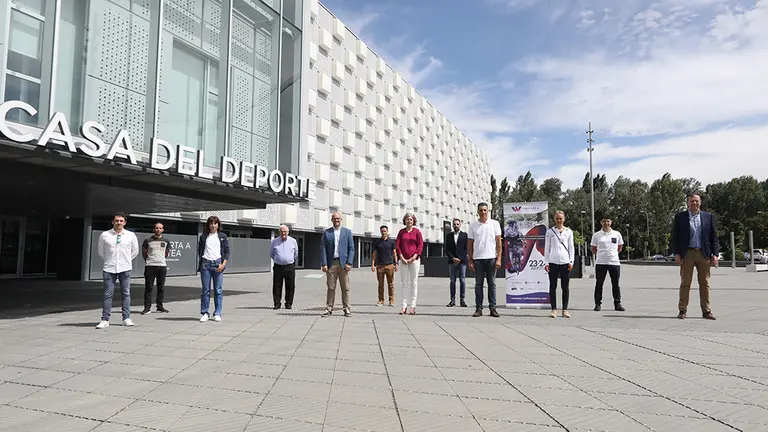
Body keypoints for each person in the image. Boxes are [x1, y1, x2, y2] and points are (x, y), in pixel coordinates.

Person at [671, 193, 719, 320]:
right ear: (688, 203)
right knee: (685, 283)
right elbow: (674, 237)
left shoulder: (708, 217)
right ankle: (682, 310)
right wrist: (676, 253)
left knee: (705, 283)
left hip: (704, 254)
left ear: (700, 202)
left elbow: (714, 237)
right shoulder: (680, 217)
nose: (694, 203)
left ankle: (706, 311)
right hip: (687, 254)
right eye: (692, 201)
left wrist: (715, 254)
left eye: (696, 201)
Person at [96, 212, 139, 329]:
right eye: (116, 220)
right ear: (112, 222)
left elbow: (135, 251)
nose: (119, 223)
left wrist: (125, 260)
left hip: (125, 268)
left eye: (121, 221)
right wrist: (110, 260)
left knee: (126, 293)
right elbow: (101, 252)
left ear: (125, 222)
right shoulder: (105, 235)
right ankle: (105, 319)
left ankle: (126, 318)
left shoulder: (130, 235)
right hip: (109, 268)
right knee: (107, 294)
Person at [468, 202, 502, 318]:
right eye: (481, 210)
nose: (483, 212)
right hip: (478, 259)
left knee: (492, 284)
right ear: (477, 211)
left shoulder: (494, 224)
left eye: (485, 210)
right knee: (478, 285)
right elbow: (470, 244)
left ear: (488, 211)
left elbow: (499, 243)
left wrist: (499, 258)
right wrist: (470, 260)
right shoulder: (473, 225)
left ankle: (493, 308)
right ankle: (479, 308)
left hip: (491, 258)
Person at [321, 212, 355, 317]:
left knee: (345, 287)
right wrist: (324, 263)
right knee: (331, 287)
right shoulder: (327, 233)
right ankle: (329, 308)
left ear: (341, 219)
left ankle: (347, 308)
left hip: (343, 264)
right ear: (332, 220)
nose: (337, 220)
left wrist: (349, 262)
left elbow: (351, 248)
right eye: (335, 219)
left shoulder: (347, 232)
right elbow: (323, 248)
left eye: (338, 218)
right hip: (331, 263)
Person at [197, 215, 229, 322]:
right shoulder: (203, 236)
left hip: (218, 264)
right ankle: (205, 312)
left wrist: (223, 264)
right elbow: (200, 250)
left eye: (215, 223)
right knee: (205, 290)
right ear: (208, 225)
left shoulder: (222, 236)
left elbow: (226, 251)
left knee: (218, 290)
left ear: (218, 225)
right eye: (211, 223)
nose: (213, 225)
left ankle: (217, 313)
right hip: (206, 264)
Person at [591, 217, 626, 312]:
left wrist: (613, 255)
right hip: (601, 262)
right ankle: (597, 304)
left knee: (616, 284)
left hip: (614, 262)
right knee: (599, 284)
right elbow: (593, 249)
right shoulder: (597, 235)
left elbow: (620, 247)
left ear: (611, 222)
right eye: (604, 221)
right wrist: (601, 254)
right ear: (600, 222)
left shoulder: (617, 234)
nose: (606, 223)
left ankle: (617, 303)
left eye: (608, 221)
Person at [544, 211, 575, 318]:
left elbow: (571, 248)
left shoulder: (569, 232)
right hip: (553, 262)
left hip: (565, 262)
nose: (559, 220)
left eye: (561, 218)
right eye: (557, 218)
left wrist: (571, 261)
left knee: (565, 287)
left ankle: (565, 309)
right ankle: (553, 309)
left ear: (564, 219)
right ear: (554, 219)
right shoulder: (550, 232)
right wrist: (546, 262)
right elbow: (546, 248)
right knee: (553, 286)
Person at [396, 213, 423, 315]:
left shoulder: (417, 232)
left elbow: (420, 245)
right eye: (407, 219)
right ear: (405, 221)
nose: (409, 221)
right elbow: (398, 246)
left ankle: (413, 306)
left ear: (413, 221)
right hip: (403, 260)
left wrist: (414, 257)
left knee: (413, 282)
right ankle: (403, 306)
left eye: (411, 219)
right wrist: (401, 257)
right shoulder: (401, 232)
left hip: (414, 260)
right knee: (404, 283)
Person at [141, 222, 171, 315]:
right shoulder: (148, 240)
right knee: (148, 288)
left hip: (162, 266)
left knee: (161, 288)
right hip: (150, 266)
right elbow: (144, 253)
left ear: (163, 230)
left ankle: (160, 306)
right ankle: (147, 308)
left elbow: (166, 253)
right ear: (154, 229)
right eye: (157, 228)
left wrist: (160, 259)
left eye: (160, 228)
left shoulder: (166, 241)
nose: (158, 230)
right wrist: (150, 260)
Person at [271, 224, 298, 310]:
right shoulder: (274, 241)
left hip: (289, 266)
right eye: (282, 232)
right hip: (278, 266)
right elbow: (271, 254)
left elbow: (296, 253)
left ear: (288, 232)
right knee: (277, 286)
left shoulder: (293, 241)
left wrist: (288, 260)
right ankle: (277, 303)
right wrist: (279, 259)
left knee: (290, 286)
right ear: (279, 232)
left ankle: (288, 303)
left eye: (285, 232)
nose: (283, 233)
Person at [371, 225, 398, 307]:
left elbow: (394, 253)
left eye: (385, 231)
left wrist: (396, 263)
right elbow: (374, 254)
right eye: (382, 231)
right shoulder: (377, 242)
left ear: (387, 231)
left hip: (390, 265)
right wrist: (373, 264)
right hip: (380, 266)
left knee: (391, 284)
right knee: (380, 284)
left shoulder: (392, 242)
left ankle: (391, 300)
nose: (383, 232)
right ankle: (381, 300)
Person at [445, 218, 468, 307]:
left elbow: (466, 249)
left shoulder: (464, 235)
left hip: (462, 262)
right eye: (454, 224)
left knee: (462, 280)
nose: (456, 226)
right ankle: (452, 300)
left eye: (457, 224)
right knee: (452, 281)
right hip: (452, 261)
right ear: (452, 225)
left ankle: (462, 300)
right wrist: (453, 258)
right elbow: (447, 249)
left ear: (460, 225)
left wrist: (460, 259)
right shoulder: (449, 236)